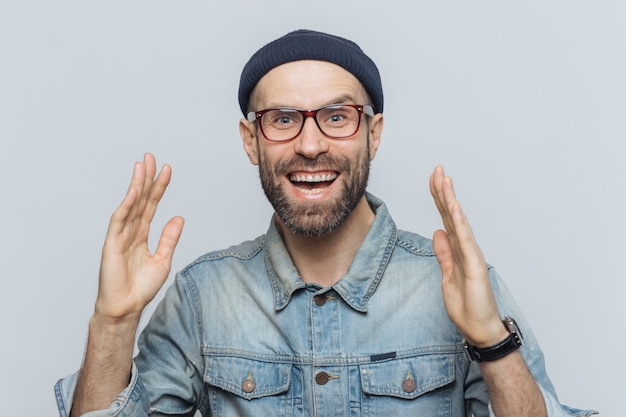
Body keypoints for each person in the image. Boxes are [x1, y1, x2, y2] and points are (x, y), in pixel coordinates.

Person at [55, 29, 595, 417]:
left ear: (373, 133)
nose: (310, 145)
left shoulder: (458, 285)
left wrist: (491, 342)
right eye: (283, 120)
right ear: (251, 142)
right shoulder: (202, 296)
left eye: (337, 117)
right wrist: (114, 322)